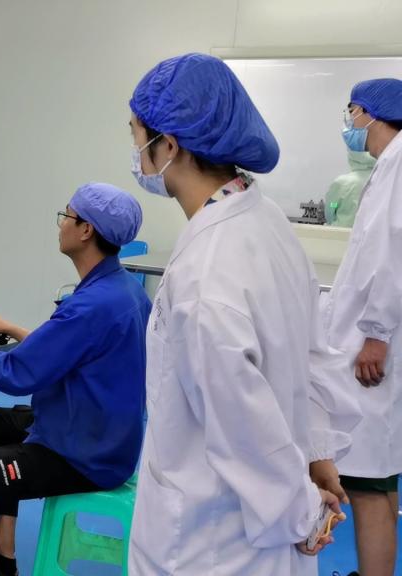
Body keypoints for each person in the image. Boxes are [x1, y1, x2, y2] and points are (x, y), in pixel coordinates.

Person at [126, 53, 359, 575]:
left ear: (169, 145)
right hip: (268, 508)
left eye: (137, 135)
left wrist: (304, 515)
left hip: (214, 540)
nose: (135, 151)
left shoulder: (205, 277)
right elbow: (312, 356)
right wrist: (317, 454)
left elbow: (242, 426)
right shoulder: (264, 218)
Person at [0, 182, 151, 576]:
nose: (61, 224)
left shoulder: (90, 306)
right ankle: (3, 549)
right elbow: (71, 348)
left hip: (81, 457)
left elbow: (16, 373)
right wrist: (12, 329)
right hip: (107, 439)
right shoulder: (123, 290)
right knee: (0, 423)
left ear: (86, 230)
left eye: (66, 216)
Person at [323, 78, 402, 576]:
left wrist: (376, 334)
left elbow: (392, 254)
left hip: (375, 344)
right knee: (377, 474)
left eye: (352, 109)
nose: (349, 120)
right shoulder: (389, 164)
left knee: (370, 479)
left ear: (373, 113)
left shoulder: (398, 164)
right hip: (374, 336)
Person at [325, 149, 375, 228]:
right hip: (369, 232)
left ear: (352, 156)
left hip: (341, 232)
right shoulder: (381, 181)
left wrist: (334, 211)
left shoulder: (341, 183)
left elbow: (331, 207)